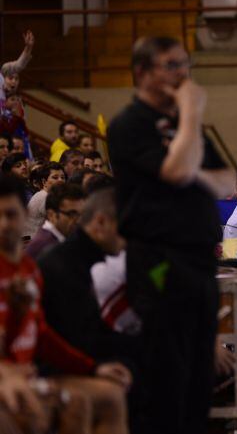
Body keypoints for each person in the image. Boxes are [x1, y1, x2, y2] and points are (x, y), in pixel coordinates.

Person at [108, 36, 234, 434]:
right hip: (159, 262)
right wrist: (192, 114)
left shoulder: (182, 125)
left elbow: (226, 180)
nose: (183, 75)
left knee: (200, 379)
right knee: (168, 378)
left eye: (185, 64)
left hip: (200, 261)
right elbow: (179, 173)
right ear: (142, 72)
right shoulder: (130, 125)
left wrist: (187, 164)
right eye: (171, 66)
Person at [0, 175, 132, 434]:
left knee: (98, 399)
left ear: (24, 215)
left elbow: (37, 332)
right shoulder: (52, 261)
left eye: (11, 215)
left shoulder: (28, 269)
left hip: (27, 374)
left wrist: (93, 367)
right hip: (9, 379)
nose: (4, 224)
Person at [37, 188, 138, 368]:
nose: (129, 238)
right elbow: (82, 341)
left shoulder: (81, 256)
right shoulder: (65, 265)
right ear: (100, 222)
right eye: (125, 228)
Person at [25, 183, 85, 260]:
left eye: (82, 214)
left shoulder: (64, 237)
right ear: (51, 215)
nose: (78, 220)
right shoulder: (43, 246)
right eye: (71, 214)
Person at [24, 162, 66, 239]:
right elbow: (60, 222)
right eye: (55, 177)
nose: (60, 180)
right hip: (32, 244)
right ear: (44, 182)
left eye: (63, 177)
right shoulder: (43, 196)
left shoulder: (49, 195)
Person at [0, 31, 34, 102]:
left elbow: (18, 65)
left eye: (16, 79)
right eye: (11, 78)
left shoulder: (5, 68)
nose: (14, 81)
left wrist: (28, 47)